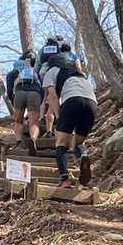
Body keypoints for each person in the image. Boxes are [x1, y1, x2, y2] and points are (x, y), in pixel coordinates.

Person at [42, 41, 97, 187]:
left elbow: (52, 97)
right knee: (78, 142)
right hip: (92, 102)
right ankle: (83, 156)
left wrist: (59, 116)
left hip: (72, 100)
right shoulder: (79, 73)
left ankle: (65, 179)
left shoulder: (51, 71)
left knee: (60, 142)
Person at [7, 49, 41, 151]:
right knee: (34, 122)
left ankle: (18, 142)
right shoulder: (37, 70)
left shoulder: (16, 71)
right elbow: (42, 86)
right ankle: (33, 139)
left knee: (18, 121)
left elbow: (10, 90)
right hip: (34, 93)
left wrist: (13, 100)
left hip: (19, 92)